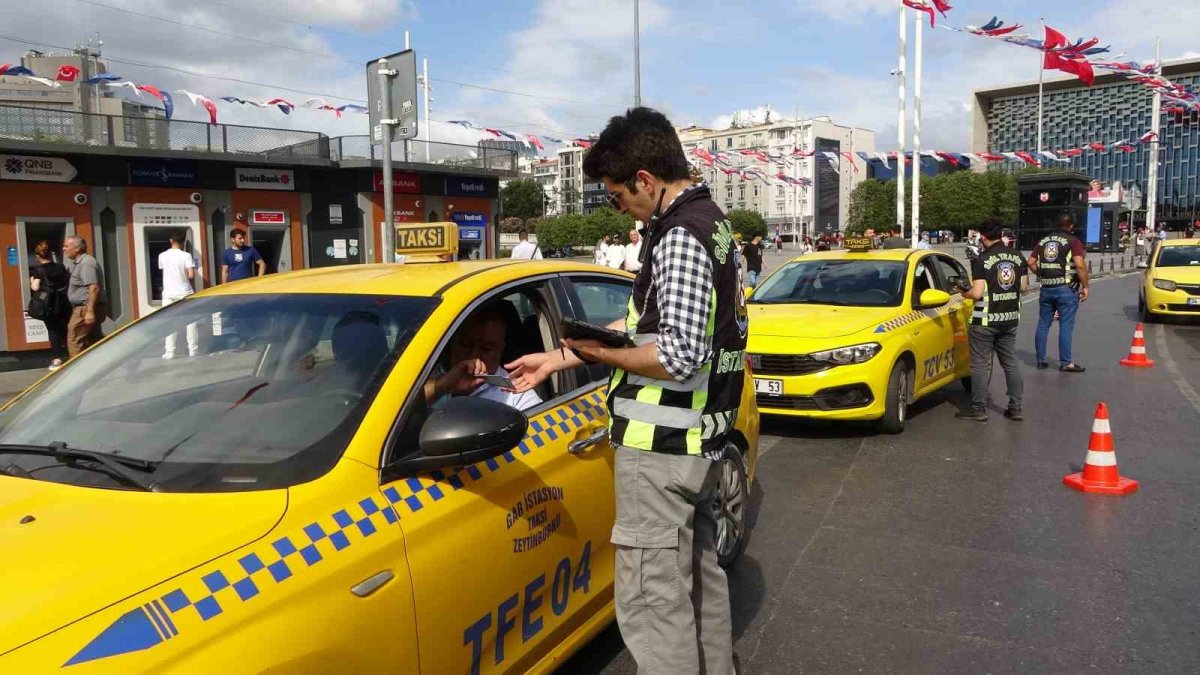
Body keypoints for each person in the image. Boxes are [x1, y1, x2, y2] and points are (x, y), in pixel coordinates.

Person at [506, 107, 746, 674]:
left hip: (661, 450)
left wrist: (599, 355)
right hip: (700, 443)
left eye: (617, 197)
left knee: (653, 605)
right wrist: (559, 357)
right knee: (699, 581)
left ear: (645, 179)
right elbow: (646, 325)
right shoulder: (713, 223)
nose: (620, 209)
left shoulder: (679, 237)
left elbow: (677, 355)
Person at [957, 219, 1026, 422]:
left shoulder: (983, 259)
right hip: (1010, 318)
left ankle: (978, 409)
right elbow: (1023, 287)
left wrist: (963, 292)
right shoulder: (1017, 256)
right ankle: (1016, 408)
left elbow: (977, 293)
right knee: (1010, 363)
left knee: (980, 365)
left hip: (985, 321)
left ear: (983, 236)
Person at [423, 303, 541, 411]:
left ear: (501, 349)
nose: (474, 356)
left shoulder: (517, 395)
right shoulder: (424, 372)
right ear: (451, 343)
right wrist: (441, 386)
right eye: (466, 344)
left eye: (486, 348)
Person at [1028, 214, 1089, 372]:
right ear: (1070, 226)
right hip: (1066, 288)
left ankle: (1040, 360)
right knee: (1066, 326)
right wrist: (1085, 286)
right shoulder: (1073, 241)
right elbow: (1080, 265)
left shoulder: (1043, 241)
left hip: (1046, 288)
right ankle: (1066, 362)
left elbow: (1031, 262)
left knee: (1043, 324)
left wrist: (1041, 274)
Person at [29, 241, 70, 370]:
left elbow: (35, 287)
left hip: (48, 304)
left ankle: (57, 359)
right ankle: (71, 355)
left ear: (38, 256)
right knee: (65, 329)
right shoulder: (61, 267)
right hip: (62, 302)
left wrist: (31, 280)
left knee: (53, 330)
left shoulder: (38, 270)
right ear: (51, 254)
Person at [62, 236, 106, 358]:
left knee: (74, 339)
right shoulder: (79, 263)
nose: (63, 249)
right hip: (85, 308)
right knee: (93, 341)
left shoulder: (87, 263)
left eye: (66, 246)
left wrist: (90, 311)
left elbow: (94, 287)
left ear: (77, 248)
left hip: (84, 308)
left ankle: (76, 368)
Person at [159, 230, 198, 359]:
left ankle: (170, 352)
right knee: (191, 323)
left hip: (169, 293)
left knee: (169, 322)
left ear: (171, 240)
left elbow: (165, 272)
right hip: (185, 292)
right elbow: (191, 275)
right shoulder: (186, 256)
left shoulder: (162, 256)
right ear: (183, 241)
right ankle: (193, 350)